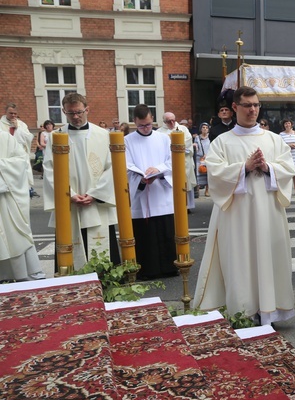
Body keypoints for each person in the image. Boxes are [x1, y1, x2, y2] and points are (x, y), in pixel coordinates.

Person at [193, 86, 295, 325]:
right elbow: (215, 175)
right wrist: (245, 168)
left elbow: (288, 169)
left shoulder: (273, 139)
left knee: (268, 256)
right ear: (235, 108)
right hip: (236, 215)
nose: (253, 110)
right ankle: (243, 311)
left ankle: (269, 311)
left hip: (268, 213)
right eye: (248, 105)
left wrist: (268, 167)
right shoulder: (222, 142)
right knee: (240, 260)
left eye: (256, 105)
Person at [43, 93, 120, 269]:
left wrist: (95, 194)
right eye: (71, 113)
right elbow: (49, 169)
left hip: (96, 203)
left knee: (103, 250)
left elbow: (112, 168)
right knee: (69, 252)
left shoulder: (103, 135)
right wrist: (69, 194)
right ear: (64, 111)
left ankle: (105, 288)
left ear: (87, 109)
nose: (76, 117)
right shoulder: (56, 137)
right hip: (69, 204)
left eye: (79, 112)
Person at [125, 104, 177, 280]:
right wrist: (140, 178)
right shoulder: (127, 141)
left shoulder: (163, 138)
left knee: (165, 230)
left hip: (161, 191)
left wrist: (159, 170)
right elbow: (126, 165)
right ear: (134, 122)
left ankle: (169, 268)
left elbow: (172, 162)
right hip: (141, 191)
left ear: (152, 119)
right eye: (141, 126)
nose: (145, 128)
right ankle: (148, 270)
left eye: (148, 124)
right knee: (145, 235)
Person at [0, 131, 45, 281]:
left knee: (13, 234)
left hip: (6, 197)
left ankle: (18, 274)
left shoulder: (5, 138)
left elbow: (21, 161)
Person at [157, 112, 197, 205]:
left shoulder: (183, 129)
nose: (172, 123)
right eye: (168, 121)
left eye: (173, 120)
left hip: (183, 159)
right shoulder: (159, 132)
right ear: (164, 121)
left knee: (184, 182)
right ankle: (171, 204)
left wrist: (172, 142)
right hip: (168, 161)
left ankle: (186, 205)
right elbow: (159, 146)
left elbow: (187, 141)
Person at [0, 103, 36, 197]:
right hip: (6, 156)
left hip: (20, 155)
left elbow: (28, 138)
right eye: (11, 113)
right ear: (5, 112)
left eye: (15, 113)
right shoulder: (0, 124)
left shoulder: (22, 125)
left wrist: (18, 129)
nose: (13, 115)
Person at [279, 119, 295, 195]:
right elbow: (279, 145)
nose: (287, 125)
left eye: (289, 123)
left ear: (291, 125)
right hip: (286, 156)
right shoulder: (281, 135)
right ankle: (286, 190)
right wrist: (288, 145)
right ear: (284, 125)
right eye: (286, 123)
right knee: (287, 173)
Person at [194, 122, 211, 197]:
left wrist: (208, 155)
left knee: (207, 174)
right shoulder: (197, 138)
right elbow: (195, 148)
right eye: (203, 127)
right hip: (199, 158)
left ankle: (207, 190)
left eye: (206, 128)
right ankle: (197, 190)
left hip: (208, 158)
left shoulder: (210, 137)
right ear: (200, 129)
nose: (205, 129)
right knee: (198, 174)